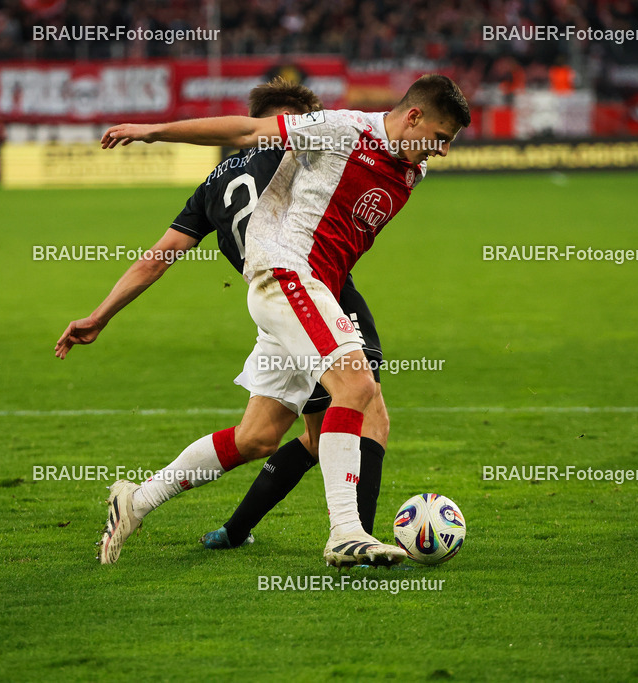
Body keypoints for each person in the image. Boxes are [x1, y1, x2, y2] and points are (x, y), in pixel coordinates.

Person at [87, 74, 469, 567]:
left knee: (259, 437)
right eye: (438, 138)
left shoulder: (409, 170)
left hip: (306, 295)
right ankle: (346, 533)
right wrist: (153, 130)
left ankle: (135, 502)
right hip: (288, 277)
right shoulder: (344, 129)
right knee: (357, 388)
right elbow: (247, 132)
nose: (440, 151)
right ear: (413, 116)